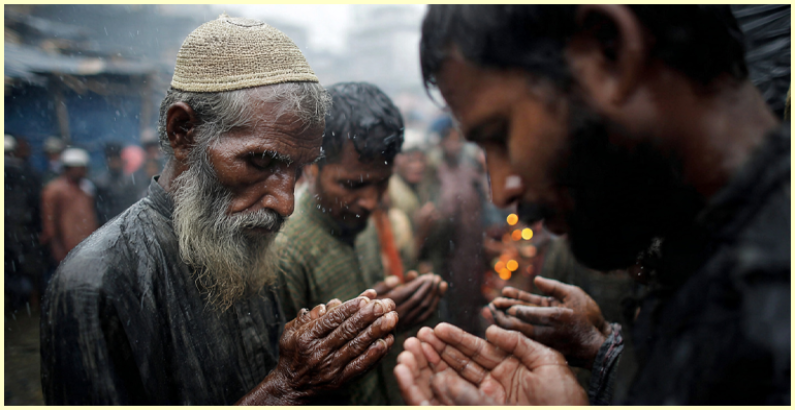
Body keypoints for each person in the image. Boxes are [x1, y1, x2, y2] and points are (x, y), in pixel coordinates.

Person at [395, 5, 789, 405]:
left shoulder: (767, 309)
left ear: (611, 49)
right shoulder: (712, 261)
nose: (502, 191)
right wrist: (604, 359)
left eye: (500, 134)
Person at [40, 16, 398, 405]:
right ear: (183, 132)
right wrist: (286, 390)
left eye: (298, 170)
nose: (286, 203)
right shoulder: (97, 284)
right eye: (260, 161)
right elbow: (284, 386)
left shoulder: (252, 251)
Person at [273, 82, 448, 405]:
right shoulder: (285, 255)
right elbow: (286, 381)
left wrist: (386, 311)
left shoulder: (364, 225)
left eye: (381, 184)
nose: (369, 201)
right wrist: (370, 324)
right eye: (352, 185)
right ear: (311, 168)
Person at [5, 135, 45, 310]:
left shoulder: (29, 176)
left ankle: (26, 305)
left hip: (23, 233)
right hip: (19, 234)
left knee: (27, 274)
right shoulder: (29, 175)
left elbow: (37, 205)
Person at [94, 142, 146, 225]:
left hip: (127, 222)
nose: (114, 163)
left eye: (116, 159)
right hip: (108, 224)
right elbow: (100, 210)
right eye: (112, 159)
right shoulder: (101, 183)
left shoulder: (130, 181)